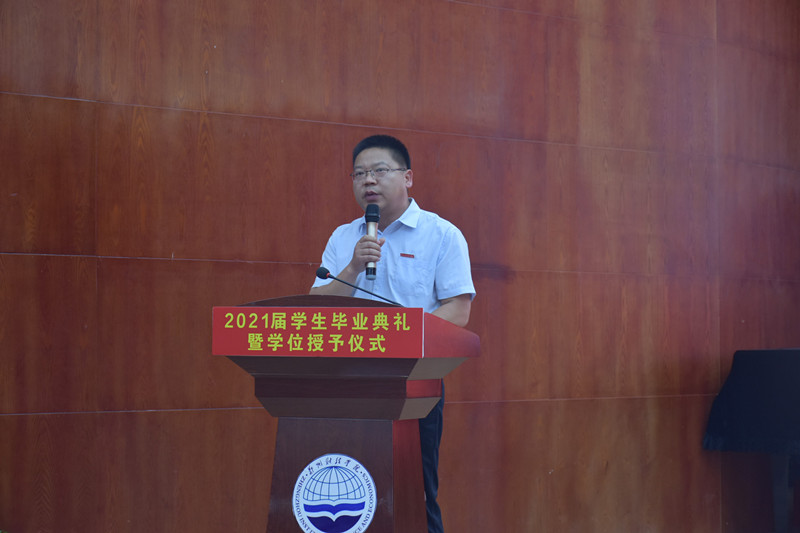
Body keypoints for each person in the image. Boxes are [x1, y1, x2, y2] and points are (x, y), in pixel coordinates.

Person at [310, 134, 475, 532]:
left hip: (412, 382)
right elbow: (316, 308)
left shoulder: (441, 234)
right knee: (350, 488)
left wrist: (402, 339)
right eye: (359, 174)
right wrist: (352, 268)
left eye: (380, 170)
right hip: (347, 380)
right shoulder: (343, 237)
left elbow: (458, 310)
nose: (369, 180)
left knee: (413, 493)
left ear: (408, 177)